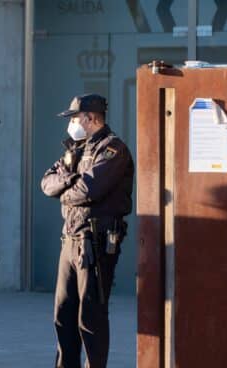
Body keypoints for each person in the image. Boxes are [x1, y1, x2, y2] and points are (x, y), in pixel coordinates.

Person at [41, 94, 134, 368]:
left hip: (95, 244)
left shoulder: (113, 150)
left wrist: (65, 190)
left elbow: (89, 189)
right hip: (69, 241)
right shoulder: (76, 149)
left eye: (74, 118)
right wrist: (70, 181)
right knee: (63, 314)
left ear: (91, 118)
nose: (71, 123)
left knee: (90, 317)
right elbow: (46, 182)